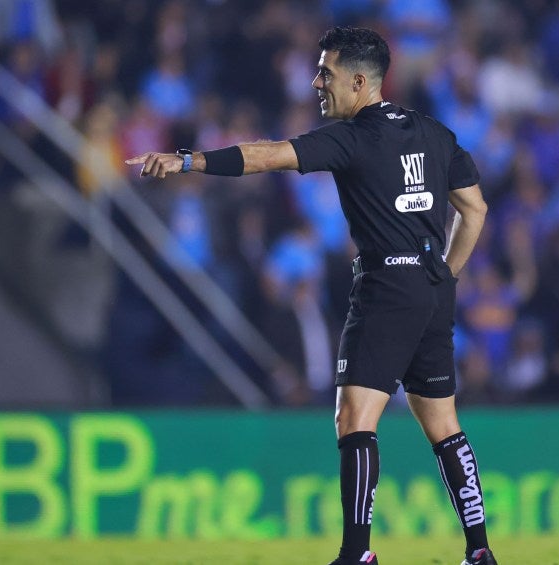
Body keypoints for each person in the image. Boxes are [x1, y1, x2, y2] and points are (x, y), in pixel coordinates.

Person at [125, 26, 497, 565]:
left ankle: (356, 556)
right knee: (444, 423)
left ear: (360, 81)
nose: (316, 81)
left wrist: (189, 161)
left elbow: (268, 156)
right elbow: (476, 209)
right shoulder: (433, 132)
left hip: (386, 287)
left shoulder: (352, 137)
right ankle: (480, 549)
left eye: (326, 72)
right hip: (430, 289)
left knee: (354, 417)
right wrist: (446, 276)